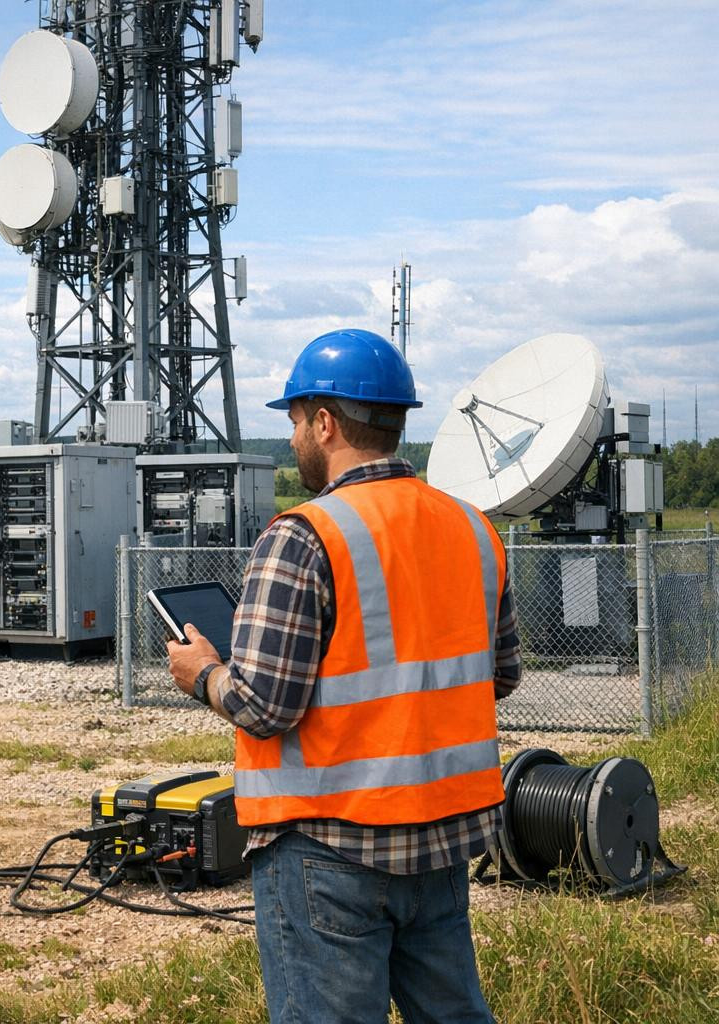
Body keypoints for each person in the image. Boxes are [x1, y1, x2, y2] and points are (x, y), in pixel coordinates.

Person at [167, 328, 519, 1024]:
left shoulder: (302, 535)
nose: (294, 436)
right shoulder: (473, 528)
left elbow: (264, 705)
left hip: (326, 847)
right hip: (442, 840)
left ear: (324, 422)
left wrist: (203, 671)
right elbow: (497, 675)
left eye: (296, 420)